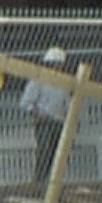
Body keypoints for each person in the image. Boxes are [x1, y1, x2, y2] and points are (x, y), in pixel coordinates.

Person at [21, 48, 75, 185]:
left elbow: (67, 102)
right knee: (44, 150)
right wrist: (36, 112)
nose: (57, 68)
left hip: (59, 121)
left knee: (58, 153)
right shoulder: (39, 80)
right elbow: (26, 102)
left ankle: (55, 182)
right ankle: (39, 181)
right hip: (44, 121)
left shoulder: (64, 82)